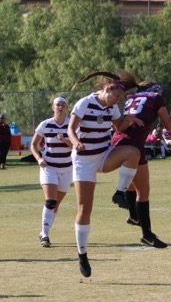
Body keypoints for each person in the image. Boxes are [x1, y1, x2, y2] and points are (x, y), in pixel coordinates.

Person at [68, 70, 143, 278]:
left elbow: (118, 125)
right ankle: (82, 254)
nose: (116, 101)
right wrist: (76, 143)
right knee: (84, 209)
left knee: (133, 153)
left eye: (119, 99)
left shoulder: (113, 107)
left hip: (103, 155)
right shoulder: (84, 103)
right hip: (83, 161)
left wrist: (129, 119)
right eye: (116, 97)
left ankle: (119, 192)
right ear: (107, 89)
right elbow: (71, 129)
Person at [111, 81, 171, 249]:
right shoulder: (155, 97)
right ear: (155, 90)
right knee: (143, 191)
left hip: (117, 142)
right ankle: (147, 234)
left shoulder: (130, 97)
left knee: (133, 183)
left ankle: (134, 216)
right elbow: (169, 126)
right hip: (134, 145)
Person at [30, 97, 73, 247]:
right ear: (52, 108)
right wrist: (38, 159)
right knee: (51, 201)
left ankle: (43, 232)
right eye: (58, 105)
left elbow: (77, 145)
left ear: (67, 108)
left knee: (56, 204)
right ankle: (45, 236)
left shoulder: (72, 124)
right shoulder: (45, 124)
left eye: (63, 105)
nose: (60, 107)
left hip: (67, 168)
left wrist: (65, 140)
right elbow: (33, 145)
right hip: (49, 167)